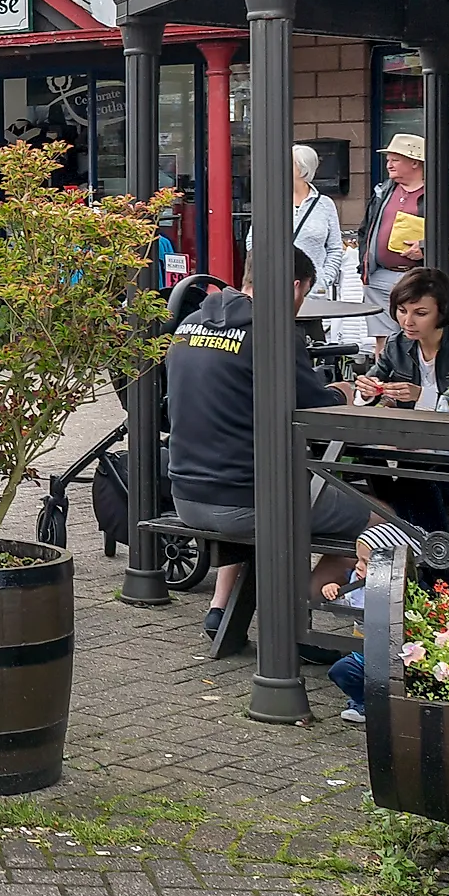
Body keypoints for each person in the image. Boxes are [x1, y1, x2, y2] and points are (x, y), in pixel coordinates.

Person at [163, 247, 368, 639]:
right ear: (294, 286)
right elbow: (319, 413)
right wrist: (343, 392)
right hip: (247, 502)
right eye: (304, 295)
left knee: (254, 481)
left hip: (185, 496)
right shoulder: (273, 331)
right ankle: (307, 617)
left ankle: (221, 608)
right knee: (381, 521)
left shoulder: (188, 324)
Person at [357, 267, 449, 415]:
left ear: (443, 311)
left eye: (420, 313)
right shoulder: (395, 344)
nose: (408, 322)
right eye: (402, 311)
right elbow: (371, 383)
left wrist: (421, 396)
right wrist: (366, 392)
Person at [319, 521, 421, 724]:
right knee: (341, 671)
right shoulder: (356, 581)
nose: (358, 566)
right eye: (358, 560)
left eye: (366, 562)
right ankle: (363, 701)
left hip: (393, 651)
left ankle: (385, 705)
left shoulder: (406, 589)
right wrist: (336, 595)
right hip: (362, 649)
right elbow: (347, 610)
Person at [248, 145, 345, 308]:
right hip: (274, 289)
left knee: (313, 332)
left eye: (289, 163)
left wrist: (323, 280)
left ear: (302, 168)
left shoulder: (325, 204)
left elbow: (335, 248)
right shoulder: (271, 202)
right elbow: (252, 243)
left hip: (313, 291)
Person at [356, 133, 430, 339]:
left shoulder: (437, 192)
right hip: (379, 275)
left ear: (415, 162)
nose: (389, 164)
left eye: (395, 159)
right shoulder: (384, 190)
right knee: (382, 336)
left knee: (416, 334)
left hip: (417, 277)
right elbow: (365, 229)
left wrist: (424, 247)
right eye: (388, 159)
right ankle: (382, 372)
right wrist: (364, 265)